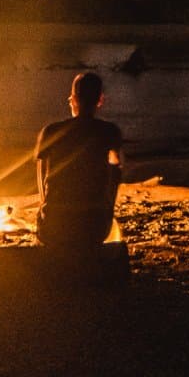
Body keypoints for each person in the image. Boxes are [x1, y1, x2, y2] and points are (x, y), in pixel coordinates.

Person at [35, 70, 123, 254]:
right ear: (100, 100)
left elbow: (42, 175)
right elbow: (116, 169)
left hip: (54, 227)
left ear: (72, 99)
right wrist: (107, 209)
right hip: (95, 229)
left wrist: (46, 208)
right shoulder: (109, 131)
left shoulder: (51, 132)